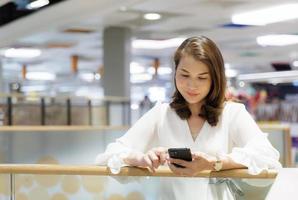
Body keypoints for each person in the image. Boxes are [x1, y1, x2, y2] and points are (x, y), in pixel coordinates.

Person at [95, 36, 281, 200]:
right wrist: (141, 158)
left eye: (202, 78)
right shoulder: (161, 114)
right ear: (175, 72)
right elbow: (108, 157)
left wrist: (215, 164)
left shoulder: (232, 113)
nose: (192, 85)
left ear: (215, 79)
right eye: (184, 75)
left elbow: (268, 157)